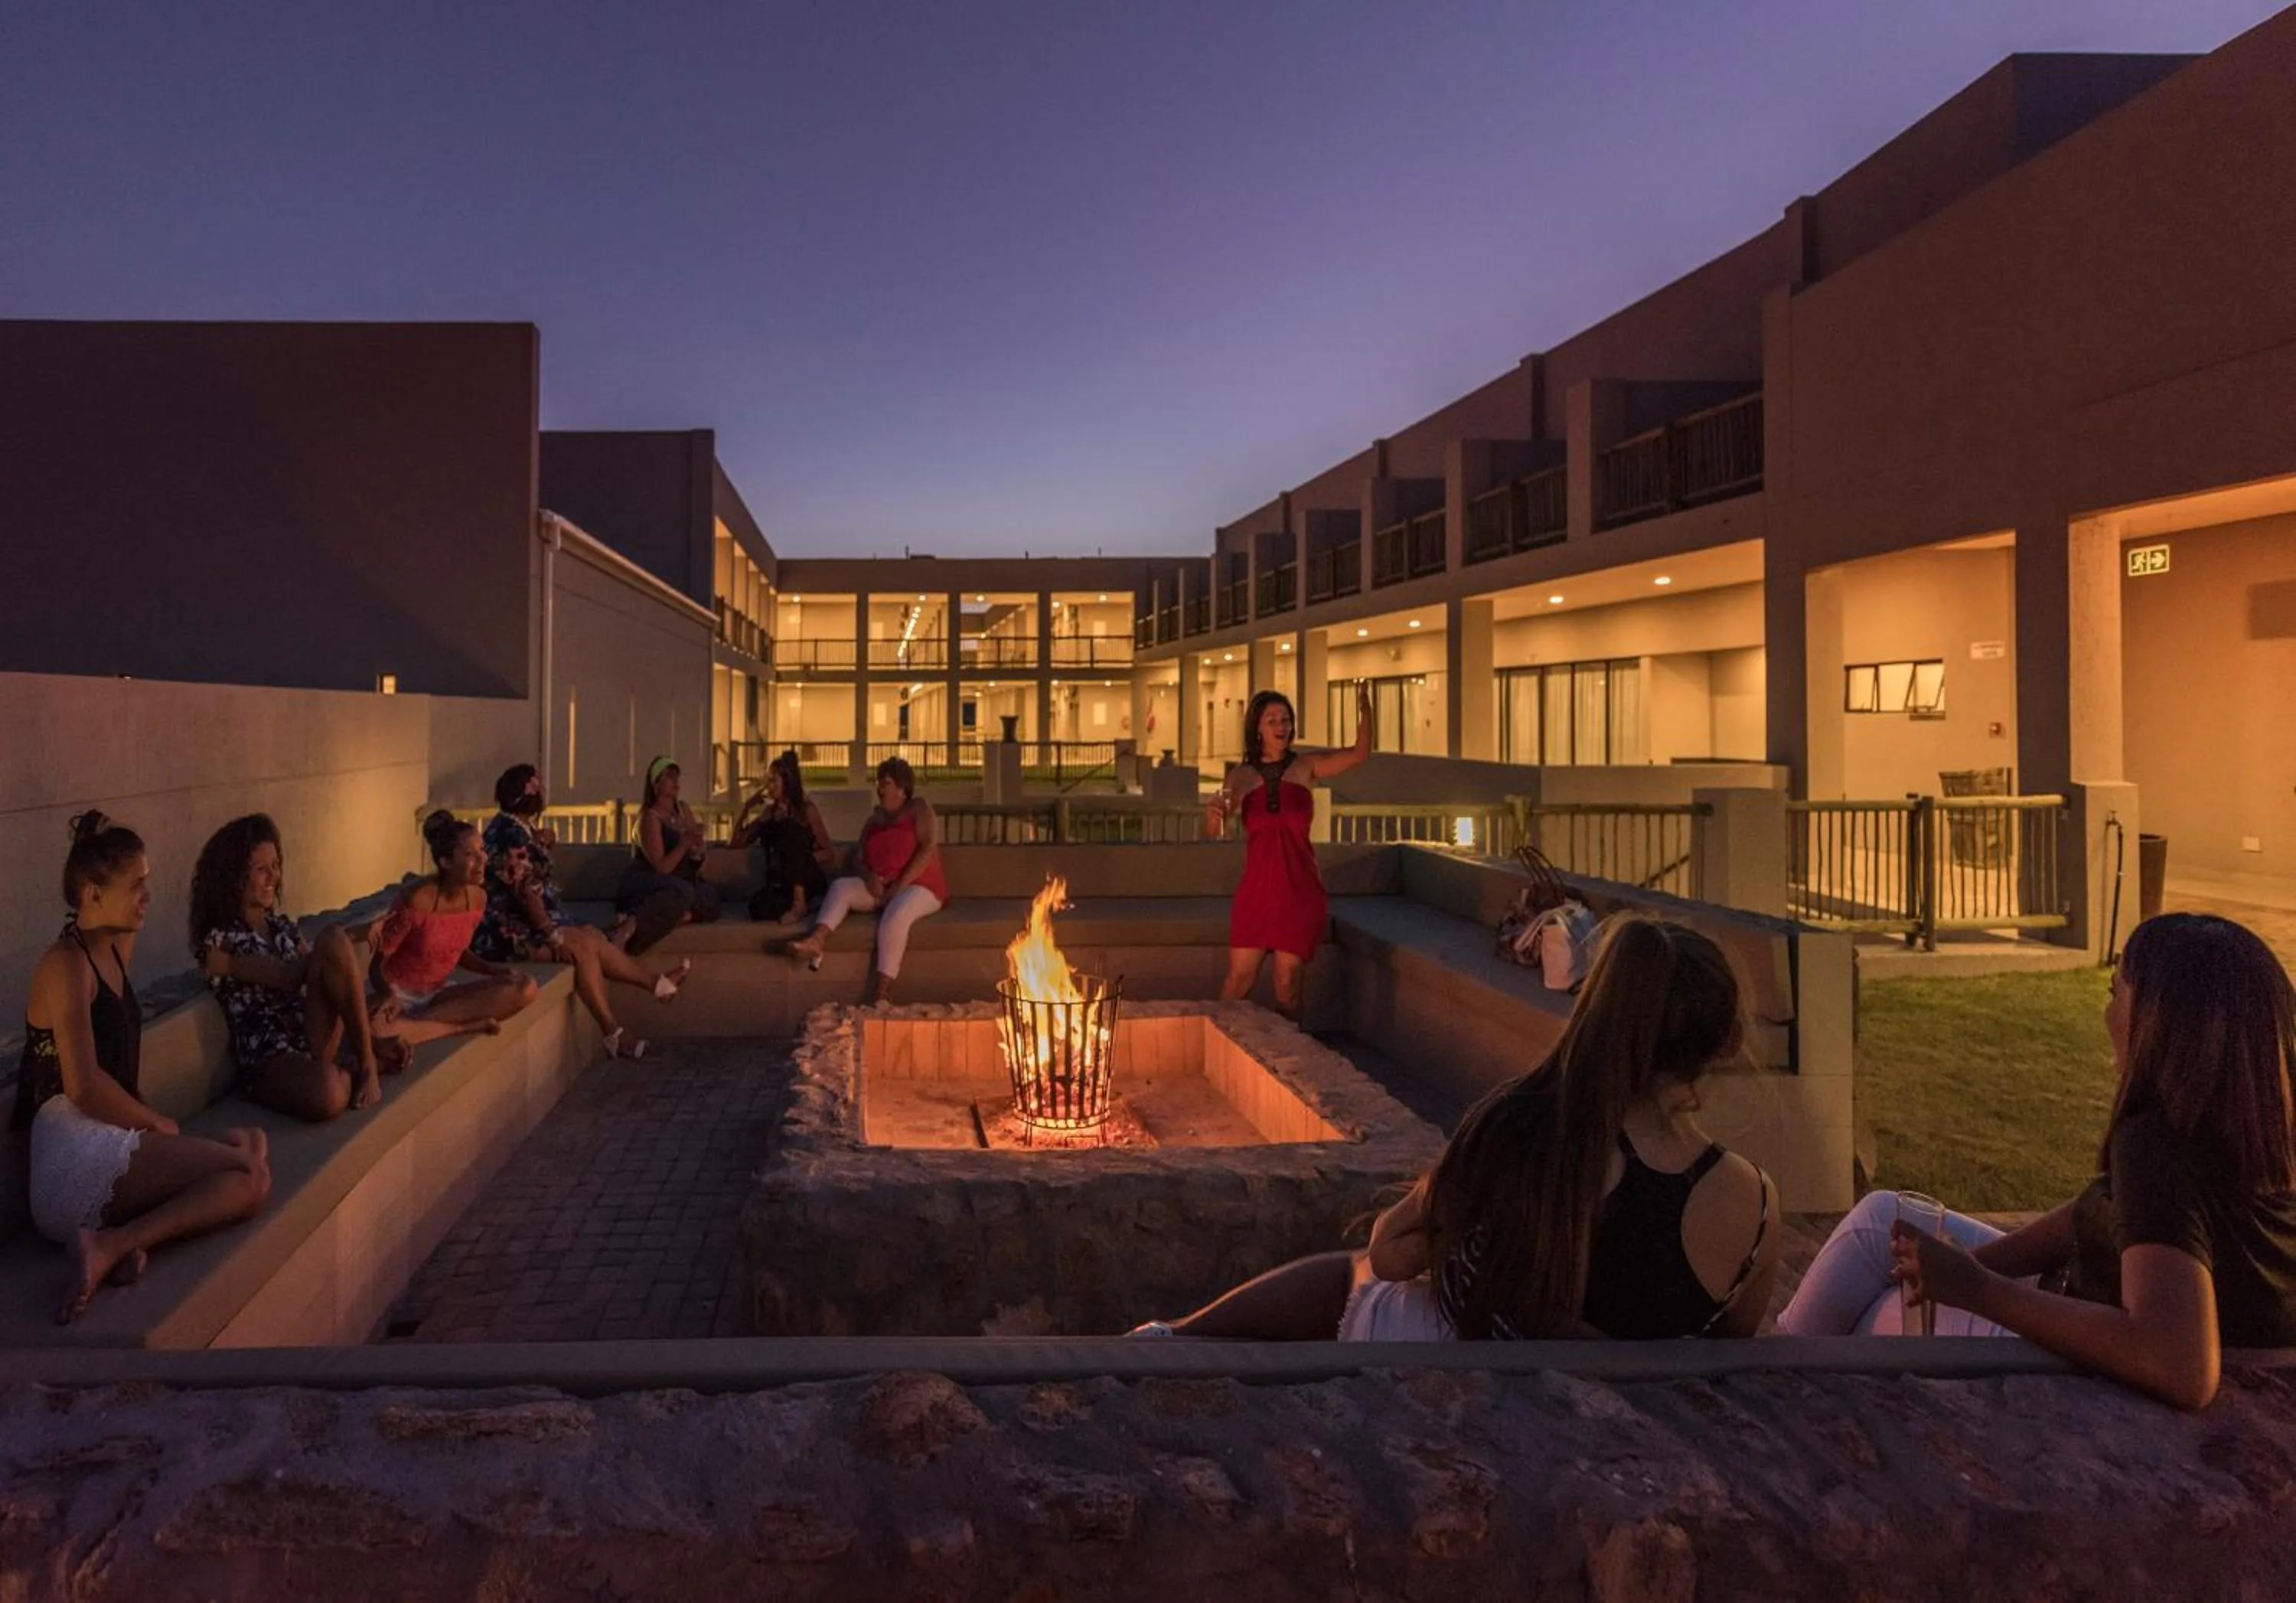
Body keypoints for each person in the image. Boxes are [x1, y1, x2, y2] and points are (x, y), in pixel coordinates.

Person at [1131, 917, 1779, 1342]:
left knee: (1354, 1278)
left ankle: (1171, 1341)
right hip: (1631, 1430)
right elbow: (1732, 1347)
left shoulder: (1524, 1128)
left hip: (1495, 1381)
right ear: (1724, 1044)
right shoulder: (1755, 1202)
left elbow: (1394, 1254)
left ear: (1598, 1014)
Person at [1779, 913, 2296, 1410]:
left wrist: (1978, 1288)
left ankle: (1780, 1396)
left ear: (2159, 1024)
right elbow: (2102, 1207)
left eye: (2115, 993)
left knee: (1880, 1313)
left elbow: (2178, 1364)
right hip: (2079, 1292)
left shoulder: (2158, 1146)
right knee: (1881, 1218)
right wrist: (1983, 1259)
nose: (2106, 1015)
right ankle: (1778, 1365)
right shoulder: (2252, 1125)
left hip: (2090, 1358)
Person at [13, 814, 271, 1324]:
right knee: (248, 1178)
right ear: (91, 894)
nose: (148, 897)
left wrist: (154, 1129)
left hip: (102, 1140)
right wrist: (157, 1124)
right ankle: (111, 1245)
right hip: (69, 1152)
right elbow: (83, 1087)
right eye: (136, 886)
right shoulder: (63, 965)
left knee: (250, 1145)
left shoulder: (110, 948)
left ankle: (114, 1242)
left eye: (147, 883)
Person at [476, 764, 689, 1060]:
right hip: (507, 931)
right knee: (580, 946)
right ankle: (613, 1031)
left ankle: (657, 985)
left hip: (530, 921)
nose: (543, 792)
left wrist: (544, 843)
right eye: (538, 788)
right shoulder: (508, 836)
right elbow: (526, 892)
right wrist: (553, 936)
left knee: (590, 934)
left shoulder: (516, 829)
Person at [190, 814, 395, 1121]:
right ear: (233, 878)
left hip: (308, 1037)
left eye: (276, 866)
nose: (274, 876)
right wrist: (347, 937)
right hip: (269, 1060)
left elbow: (321, 969)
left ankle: (365, 1063)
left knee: (334, 941)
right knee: (329, 1093)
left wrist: (345, 942)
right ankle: (359, 1064)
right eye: (262, 870)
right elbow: (288, 976)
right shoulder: (219, 942)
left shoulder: (282, 926)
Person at [1203, 684, 1375, 1020]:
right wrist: (1213, 815)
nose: (1281, 726)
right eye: (1272, 720)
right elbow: (1216, 829)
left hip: (1299, 889)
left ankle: (1289, 1060)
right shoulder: (1241, 776)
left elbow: (1359, 755)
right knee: (1238, 980)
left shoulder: (1307, 766)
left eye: (1285, 719)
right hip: (1258, 891)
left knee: (1288, 984)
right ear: (1257, 728)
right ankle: (1216, 1042)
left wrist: (1365, 709)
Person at [781, 756, 945, 1006]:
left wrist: (898, 887)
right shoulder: (874, 821)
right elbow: (857, 859)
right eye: (879, 783)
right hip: (879, 886)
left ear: (902, 789)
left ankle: (882, 992)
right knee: (841, 887)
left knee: (897, 915)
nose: (880, 789)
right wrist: (869, 878)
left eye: (886, 783)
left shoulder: (919, 809)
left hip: (919, 886)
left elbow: (927, 849)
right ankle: (817, 940)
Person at [370, 811, 539, 1044]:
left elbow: (455, 951)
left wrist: (494, 971)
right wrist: (388, 996)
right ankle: (460, 1027)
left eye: (482, 850)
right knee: (377, 1032)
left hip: (439, 996)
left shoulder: (477, 899)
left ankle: (419, 1028)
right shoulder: (417, 901)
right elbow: (378, 962)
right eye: (471, 854)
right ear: (446, 862)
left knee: (526, 987)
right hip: (401, 996)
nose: (483, 860)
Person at [616, 756, 720, 955]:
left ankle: (676, 917)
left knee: (710, 897)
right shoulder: (650, 818)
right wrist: (684, 844)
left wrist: (698, 853)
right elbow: (661, 868)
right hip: (651, 881)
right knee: (684, 892)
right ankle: (630, 927)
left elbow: (693, 846)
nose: (676, 782)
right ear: (656, 785)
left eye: (677, 776)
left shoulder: (683, 809)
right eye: (669, 777)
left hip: (679, 880)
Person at [734, 750, 835, 924]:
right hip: (782, 882)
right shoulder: (769, 814)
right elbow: (736, 844)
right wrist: (746, 808)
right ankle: (807, 905)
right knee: (756, 907)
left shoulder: (806, 811)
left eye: (773, 781)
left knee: (793, 833)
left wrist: (803, 861)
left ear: (787, 782)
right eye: (768, 782)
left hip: (807, 878)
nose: (769, 787)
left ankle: (800, 903)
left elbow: (829, 852)